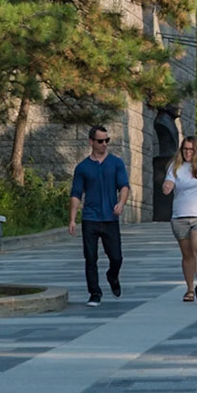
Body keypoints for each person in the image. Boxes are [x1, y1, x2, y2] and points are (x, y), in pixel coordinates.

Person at [68, 125, 130, 308]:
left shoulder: (116, 163)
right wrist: (72, 219)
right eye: (100, 141)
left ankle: (112, 276)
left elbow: (124, 186)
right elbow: (76, 193)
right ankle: (95, 292)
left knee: (117, 257)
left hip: (110, 218)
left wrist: (121, 202)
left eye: (107, 141)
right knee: (90, 257)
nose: (104, 144)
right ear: (91, 142)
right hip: (90, 218)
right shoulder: (83, 167)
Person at [160, 132, 197, 303]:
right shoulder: (175, 167)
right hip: (180, 216)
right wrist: (167, 186)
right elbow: (169, 183)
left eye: (191, 150)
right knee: (187, 255)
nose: (188, 153)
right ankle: (189, 289)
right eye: (185, 149)